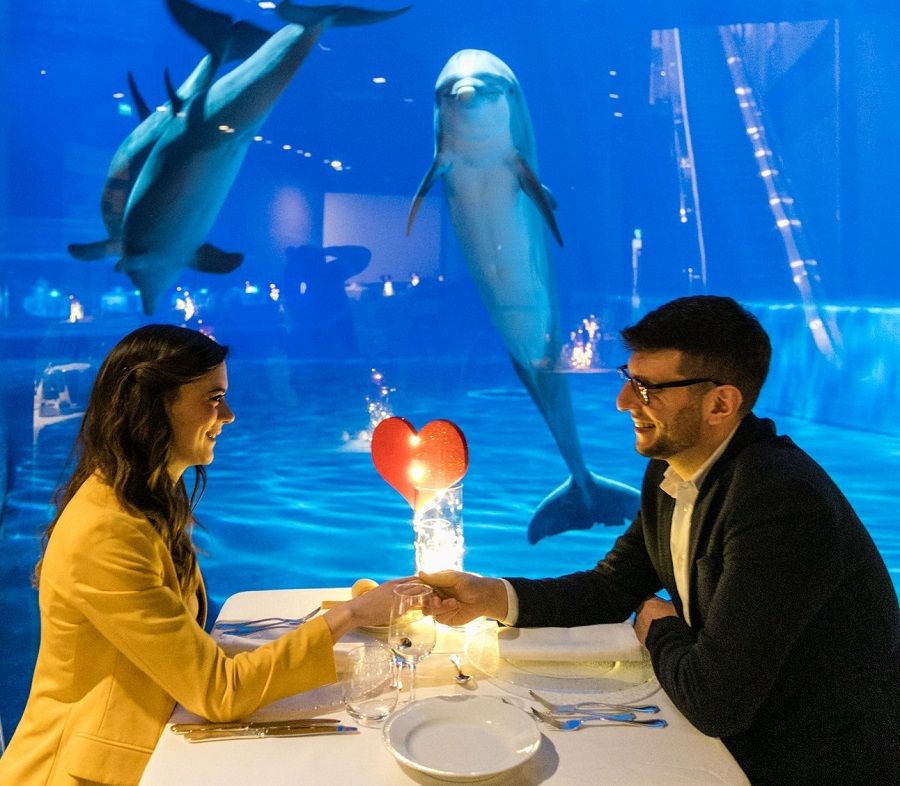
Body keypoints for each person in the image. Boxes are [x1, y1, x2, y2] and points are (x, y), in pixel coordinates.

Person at [422, 295, 900, 784]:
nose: (624, 402)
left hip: (806, 760)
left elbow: (716, 703)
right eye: (629, 379)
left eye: (648, 388)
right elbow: (612, 587)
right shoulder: (672, 471)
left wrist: (659, 627)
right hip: (740, 738)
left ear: (721, 403)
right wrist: (491, 595)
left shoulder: (779, 501)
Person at [0, 324, 400, 786]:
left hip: (152, 744)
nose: (228, 415)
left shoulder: (143, 499)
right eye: (213, 398)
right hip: (85, 771)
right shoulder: (107, 532)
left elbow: (194, 661)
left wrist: (348, 659)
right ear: (154, 405)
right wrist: (349, 616)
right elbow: (218, 692)